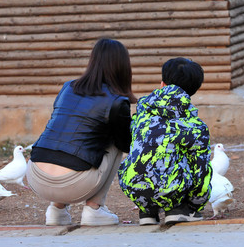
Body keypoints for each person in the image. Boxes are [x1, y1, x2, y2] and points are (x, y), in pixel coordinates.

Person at [26, 38, 137, 226]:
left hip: (35, 175)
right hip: (73, 184)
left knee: (66, 133)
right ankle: (94, 209)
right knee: (116, 144)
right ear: (123, 67)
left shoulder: (68, 87)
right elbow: (126, 144)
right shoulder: (118, 101)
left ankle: (56, 210)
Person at [118, 57, 213, 225]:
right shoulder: (194, 125)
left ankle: (147, 211)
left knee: (151, 152)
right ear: (194, 91)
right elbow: (201, 169)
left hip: (133, 187)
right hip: (170, 189)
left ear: (162, 84)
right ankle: (178, 209)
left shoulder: (141, 114)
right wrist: (196, 205)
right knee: (191, 157)